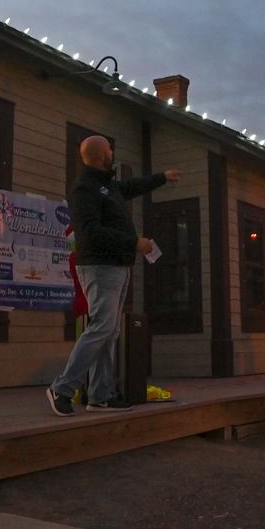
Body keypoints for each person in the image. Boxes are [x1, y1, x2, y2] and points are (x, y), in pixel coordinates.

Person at [45, 135, 179, 414]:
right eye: (108, 149)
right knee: (102, 327)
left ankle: (100, 395)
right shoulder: (85, 189)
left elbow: (131, 186)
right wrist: (133, 243)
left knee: (109, 330)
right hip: (99, 267)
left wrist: (162, 177)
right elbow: (89, 233)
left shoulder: (108, 186)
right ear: (97, 155)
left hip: (117, 267)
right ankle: (61, 388)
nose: (112, 152)